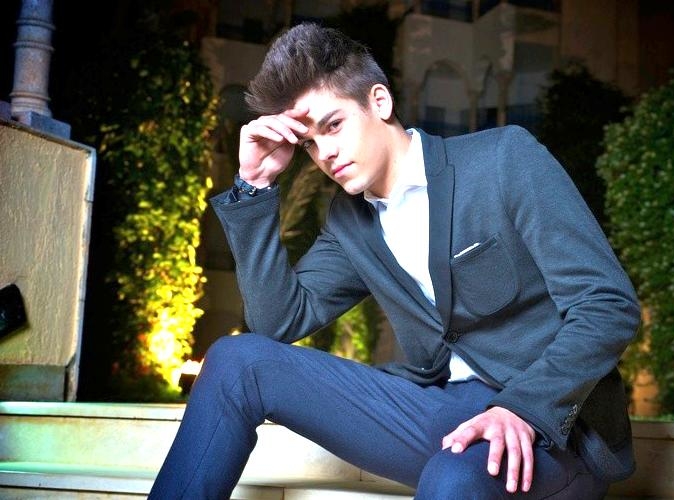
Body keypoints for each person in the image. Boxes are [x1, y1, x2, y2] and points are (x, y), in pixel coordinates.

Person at [149, 22, 640, 499]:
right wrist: (254, 185)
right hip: (443, 409)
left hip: (554, 424)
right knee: (238, 361)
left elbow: (606, 304)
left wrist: (523, 409)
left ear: (379, 101)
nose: (326, 153)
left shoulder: (502, 160)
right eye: (309, 143)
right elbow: (278, 323)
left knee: (454, 478)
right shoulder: (350, 221)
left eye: (334, 125)